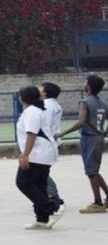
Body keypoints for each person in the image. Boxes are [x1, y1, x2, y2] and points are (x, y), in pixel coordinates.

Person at [55, 74, 108, 213]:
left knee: (91, 172)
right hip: (99, 139)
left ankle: (98, 203)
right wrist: (105, 132)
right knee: (94, 170)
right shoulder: (102, 104)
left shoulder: (84, 102)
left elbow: (82, 121)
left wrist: (63, 133)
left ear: (88, 87)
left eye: (86, 83)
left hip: (89, 139)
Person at [15, 86, 61, 230]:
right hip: (43, 153)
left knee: (23, 183)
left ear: (22, 98)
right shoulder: (35, 110)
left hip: (38, 154)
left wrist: (25, 155)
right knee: (39, 185)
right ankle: (42, 219)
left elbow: (31, 134)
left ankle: (54, 207)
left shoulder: (31, 112)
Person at [39, 82, 65, 209]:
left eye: (41, 88)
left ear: (45, 92)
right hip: (51, 141)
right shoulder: (54, 104)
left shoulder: (47, 105)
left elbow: (45, 125)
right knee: (41, 172)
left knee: (39, 172)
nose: (39, 89)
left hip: (46, 142)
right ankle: (48, 197)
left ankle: (53, 197)